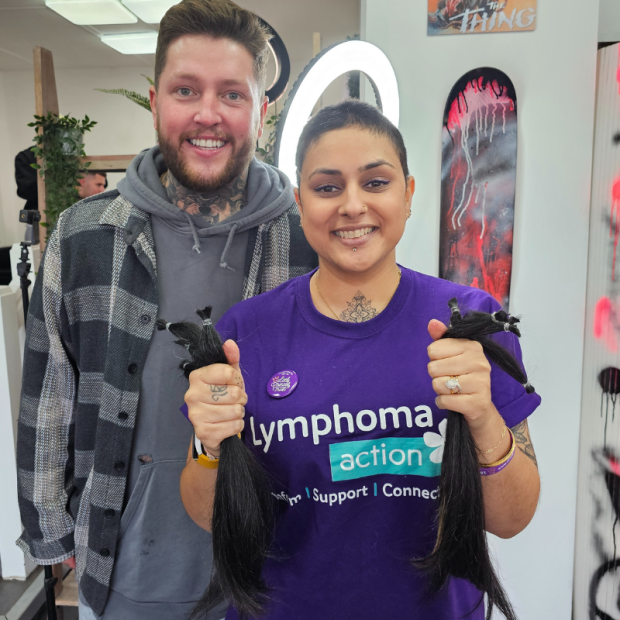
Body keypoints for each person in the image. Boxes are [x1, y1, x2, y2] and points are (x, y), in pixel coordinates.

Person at [181, 100, 541, 619]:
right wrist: (209, 443)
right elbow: (207, 514)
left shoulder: (473, 323)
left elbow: (512, 517)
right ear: (301, 202)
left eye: (376, 182)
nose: (352, 205)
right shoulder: (243, 335)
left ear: (409, 194)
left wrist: (484, 418)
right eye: (328, 187)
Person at [15, 1, 316, 619]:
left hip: (276, 574)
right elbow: (49, 397)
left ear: (261, 111)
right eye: (186, 90)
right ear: (155, 100)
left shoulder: (309, 240)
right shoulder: (82, 237)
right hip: (127, 575)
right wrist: (52, 531)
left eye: (232, 93)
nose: (208, 114)